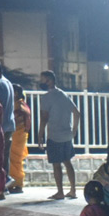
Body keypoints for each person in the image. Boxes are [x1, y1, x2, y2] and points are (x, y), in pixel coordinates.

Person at [37, 71, 80, 200]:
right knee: (67, 162)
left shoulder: (46, 98)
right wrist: (74, 130)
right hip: (67, 134)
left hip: (54, 135)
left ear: (49, 80)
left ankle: (60, 192)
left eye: (42, 79)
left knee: (56, 164)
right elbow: (77, 113)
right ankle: (73, 190)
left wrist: (40, 135)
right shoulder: (64, 94)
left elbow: (44, 118)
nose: (41, 82)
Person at [7, 85, 31, 193]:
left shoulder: (19, 105)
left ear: (15, 92)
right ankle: (15, 183)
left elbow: (15, 120)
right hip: (19, 135)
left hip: (17, 135)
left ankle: (17, 183)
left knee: (14, 160)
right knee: (15, 160)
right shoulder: (21, 104)